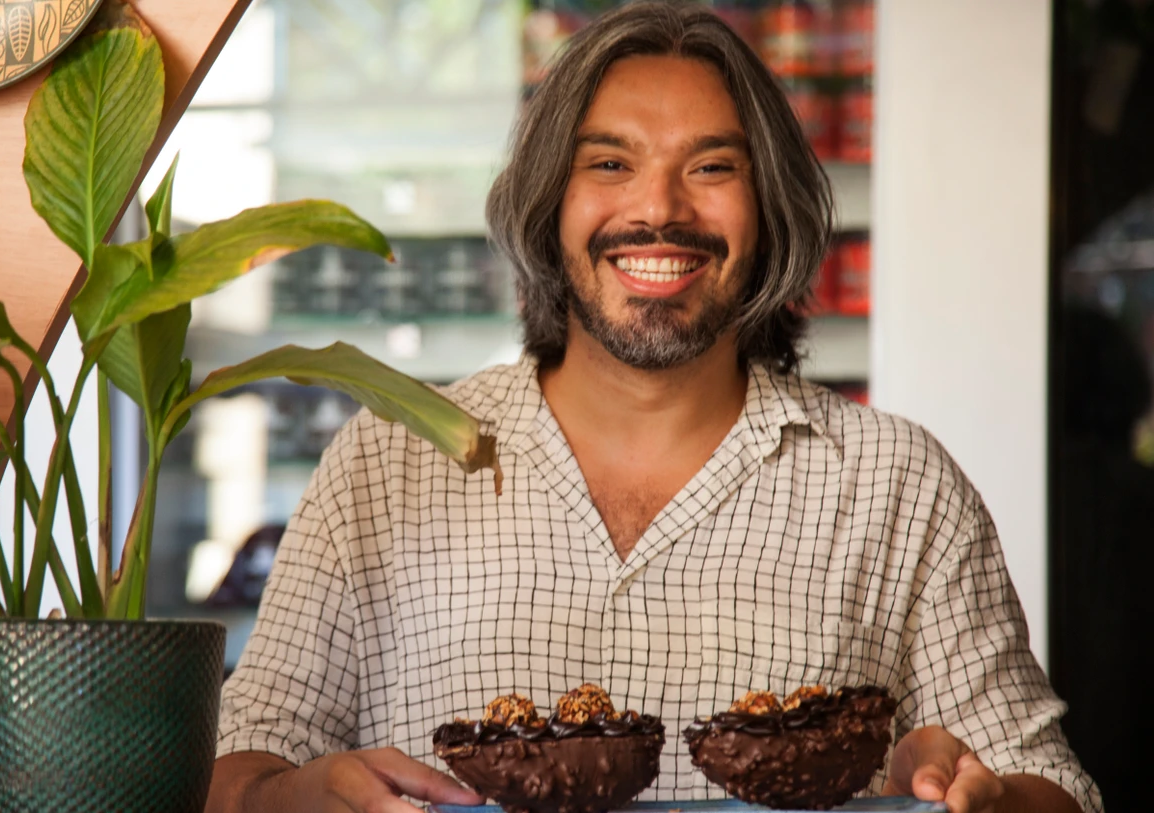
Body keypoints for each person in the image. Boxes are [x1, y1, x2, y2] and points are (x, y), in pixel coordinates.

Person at [205, 4, 1102, 812]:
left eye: (711, 166)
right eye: (610, 162)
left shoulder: (897, 484)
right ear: (550, 199)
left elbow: (1053, 787)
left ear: (770, 207)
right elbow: (233, 773)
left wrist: (970, 794)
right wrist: (289, 798)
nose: (659, 209)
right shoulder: (387, 463)